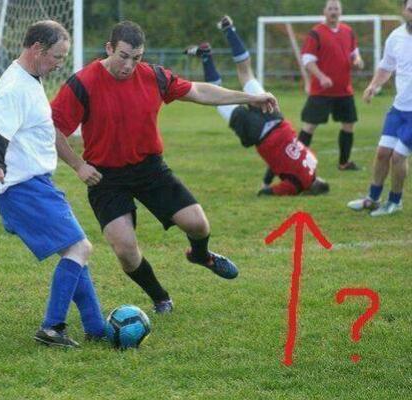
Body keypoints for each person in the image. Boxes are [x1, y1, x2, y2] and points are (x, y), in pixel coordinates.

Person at [51, 20, 278, 314]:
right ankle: (160, 297)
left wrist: (251, 97)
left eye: (137, 58)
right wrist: (78, 165)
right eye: (123, 56)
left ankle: (201, 255)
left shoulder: (153, 76)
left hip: (149, 169)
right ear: (109, 48)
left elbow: (198, 91)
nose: (129, 65)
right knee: (126, 252)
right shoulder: (82, 83)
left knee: (198, 225)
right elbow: (52, 129)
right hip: (106, 177)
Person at [0, 20, 106, 347]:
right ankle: (52, 327)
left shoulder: (28, 78)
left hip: (35, 184)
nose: (59, 64)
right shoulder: (15, 88)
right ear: (37, 49)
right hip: (23, 187)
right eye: (56, 57)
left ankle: (96, 327)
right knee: (80, 247)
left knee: (74, 249)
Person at [185, 16, 329, 197]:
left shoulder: (313, 161)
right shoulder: (298, 184)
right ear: (310, 191)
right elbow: (268, 192)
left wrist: (268, 179)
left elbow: (281, 159)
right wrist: (266, 187)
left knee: (247, 74)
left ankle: (229, 30)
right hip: (259, 133)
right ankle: (206, 56)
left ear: (321, 180)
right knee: (218, 99)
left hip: (275, 118)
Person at [347, 0, 412, 216]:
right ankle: (372, 199)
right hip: (398, 108)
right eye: (411, 9)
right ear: (404, 10)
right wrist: (373, 86)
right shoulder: (396, 37)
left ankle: (395, 202)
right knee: (383, 152)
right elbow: (386, 66)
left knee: (398, 156)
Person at [297, 0, 364, 171]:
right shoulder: (316, 33)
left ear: (340, 11)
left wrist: (357, 61)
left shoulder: (348, 31)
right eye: (330, 8)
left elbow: (355, 54)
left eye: (336, 8)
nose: (333, 11)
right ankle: (296, 163)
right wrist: (321, 76)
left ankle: (344, 163)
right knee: (310, 126)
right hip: (321, 92)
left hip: (343, 91)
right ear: (324, 11)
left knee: (349, 124)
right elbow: (307, 60)